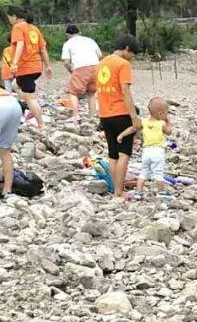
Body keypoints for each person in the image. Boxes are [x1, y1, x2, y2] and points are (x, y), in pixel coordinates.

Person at [97, 35, 143, 199]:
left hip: (104, 114)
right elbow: (125, 91)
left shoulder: (102, 63)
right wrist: (134, 117)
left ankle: (114, 187)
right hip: (121, 113)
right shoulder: (123, 64)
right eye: (133, 54)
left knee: (112, 154)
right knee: (124, 153)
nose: (133, 58)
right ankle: (119, 191)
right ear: (127, 49)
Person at [6, 6, 52, 130]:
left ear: (14, 17)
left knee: (30, 97)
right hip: (37, 67)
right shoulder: (34, 28)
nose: (9, 20)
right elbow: (43, 49)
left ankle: (41, 124)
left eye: (9, 17)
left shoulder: (18, 27)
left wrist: (14, 63)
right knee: (16, 85)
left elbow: (20, 45)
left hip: (26, 67)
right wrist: (47, 66)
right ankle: (32, 108)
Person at [117, 96, 171, 197]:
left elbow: (133, 128)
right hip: (157, 151)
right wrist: (169, 123)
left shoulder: (144, 122)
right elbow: (169, 132)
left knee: (144, 172)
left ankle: (138, 192)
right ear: (160, 113)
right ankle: (162, 192)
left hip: (146, 152)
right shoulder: (162, 123)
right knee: (158, 173)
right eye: (166, 113)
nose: (167, 115)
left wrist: (122, 135)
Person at [61, 24, 102, 121]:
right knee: (91, 92)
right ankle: (92, 115)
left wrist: (71, 71)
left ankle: (75, 115)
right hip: (96, 66)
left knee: (73, 92)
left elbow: (66, 61)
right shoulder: (90, 40)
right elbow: (100, 56)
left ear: (67, 35)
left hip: (80, 67)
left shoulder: (68, 43)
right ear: (79, 32)